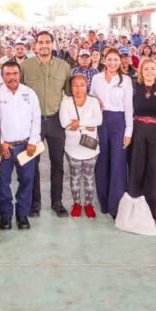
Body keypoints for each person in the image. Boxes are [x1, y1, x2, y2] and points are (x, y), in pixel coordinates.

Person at [21, 31, 72, 217]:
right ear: (35, 45)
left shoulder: (64, 66)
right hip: (33, 123)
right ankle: (35, 203)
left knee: (57, 163)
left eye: (47, 42)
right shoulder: (25, 66)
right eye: (40, 42)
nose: (44, 45)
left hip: (56, 121)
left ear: (52, 44)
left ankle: (57, 202)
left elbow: (69, 93)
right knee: (32, 164)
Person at [0, 61, 41, 235]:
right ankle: (6, 215)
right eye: (7, 74)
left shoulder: (29, 93)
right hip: (4, 147)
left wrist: (33, 141)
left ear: (19, 74)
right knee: (2, 183)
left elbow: (36, 118)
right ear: (2, 76)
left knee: (27, 181)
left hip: (26, 147)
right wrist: (1, 142)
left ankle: (22, 215)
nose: (12, 77)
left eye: (14, 73)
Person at [91, 47, 133, 217]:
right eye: (109, 59)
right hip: (100, 122)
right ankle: (104, 201)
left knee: (118, 163)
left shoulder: (126, 80)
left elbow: (129, 106)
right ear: (104, 60)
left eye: (116, 60)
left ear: (120, 61)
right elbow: (90, 96)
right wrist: (95, 100)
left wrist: (128, 131)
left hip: (118, 122)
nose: (113, 63)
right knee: (101, 161)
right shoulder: (96, 78)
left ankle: (116, 203)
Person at [129, 58, 156, 216]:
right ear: (140, 70)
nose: (149, 72)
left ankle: (155, 207)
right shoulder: (134, 86)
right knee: (137, 164)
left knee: (155, 166)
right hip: (138, 129)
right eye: (146, 68)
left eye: (152, 69)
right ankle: (135, 201)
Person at [60, 74, 102, 218]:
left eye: (82, 85)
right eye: (75, 85)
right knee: (75, 176)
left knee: (89, 177)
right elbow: (64, 123)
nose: (79, 88)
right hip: (72, 147)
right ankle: (77, 203)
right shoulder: (66, 102)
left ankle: (88, 204)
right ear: (71, 87)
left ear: (87, 86)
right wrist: (87, 124)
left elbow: (98, 120)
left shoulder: (93, 101)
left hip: (90, 147)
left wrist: (78, 122)